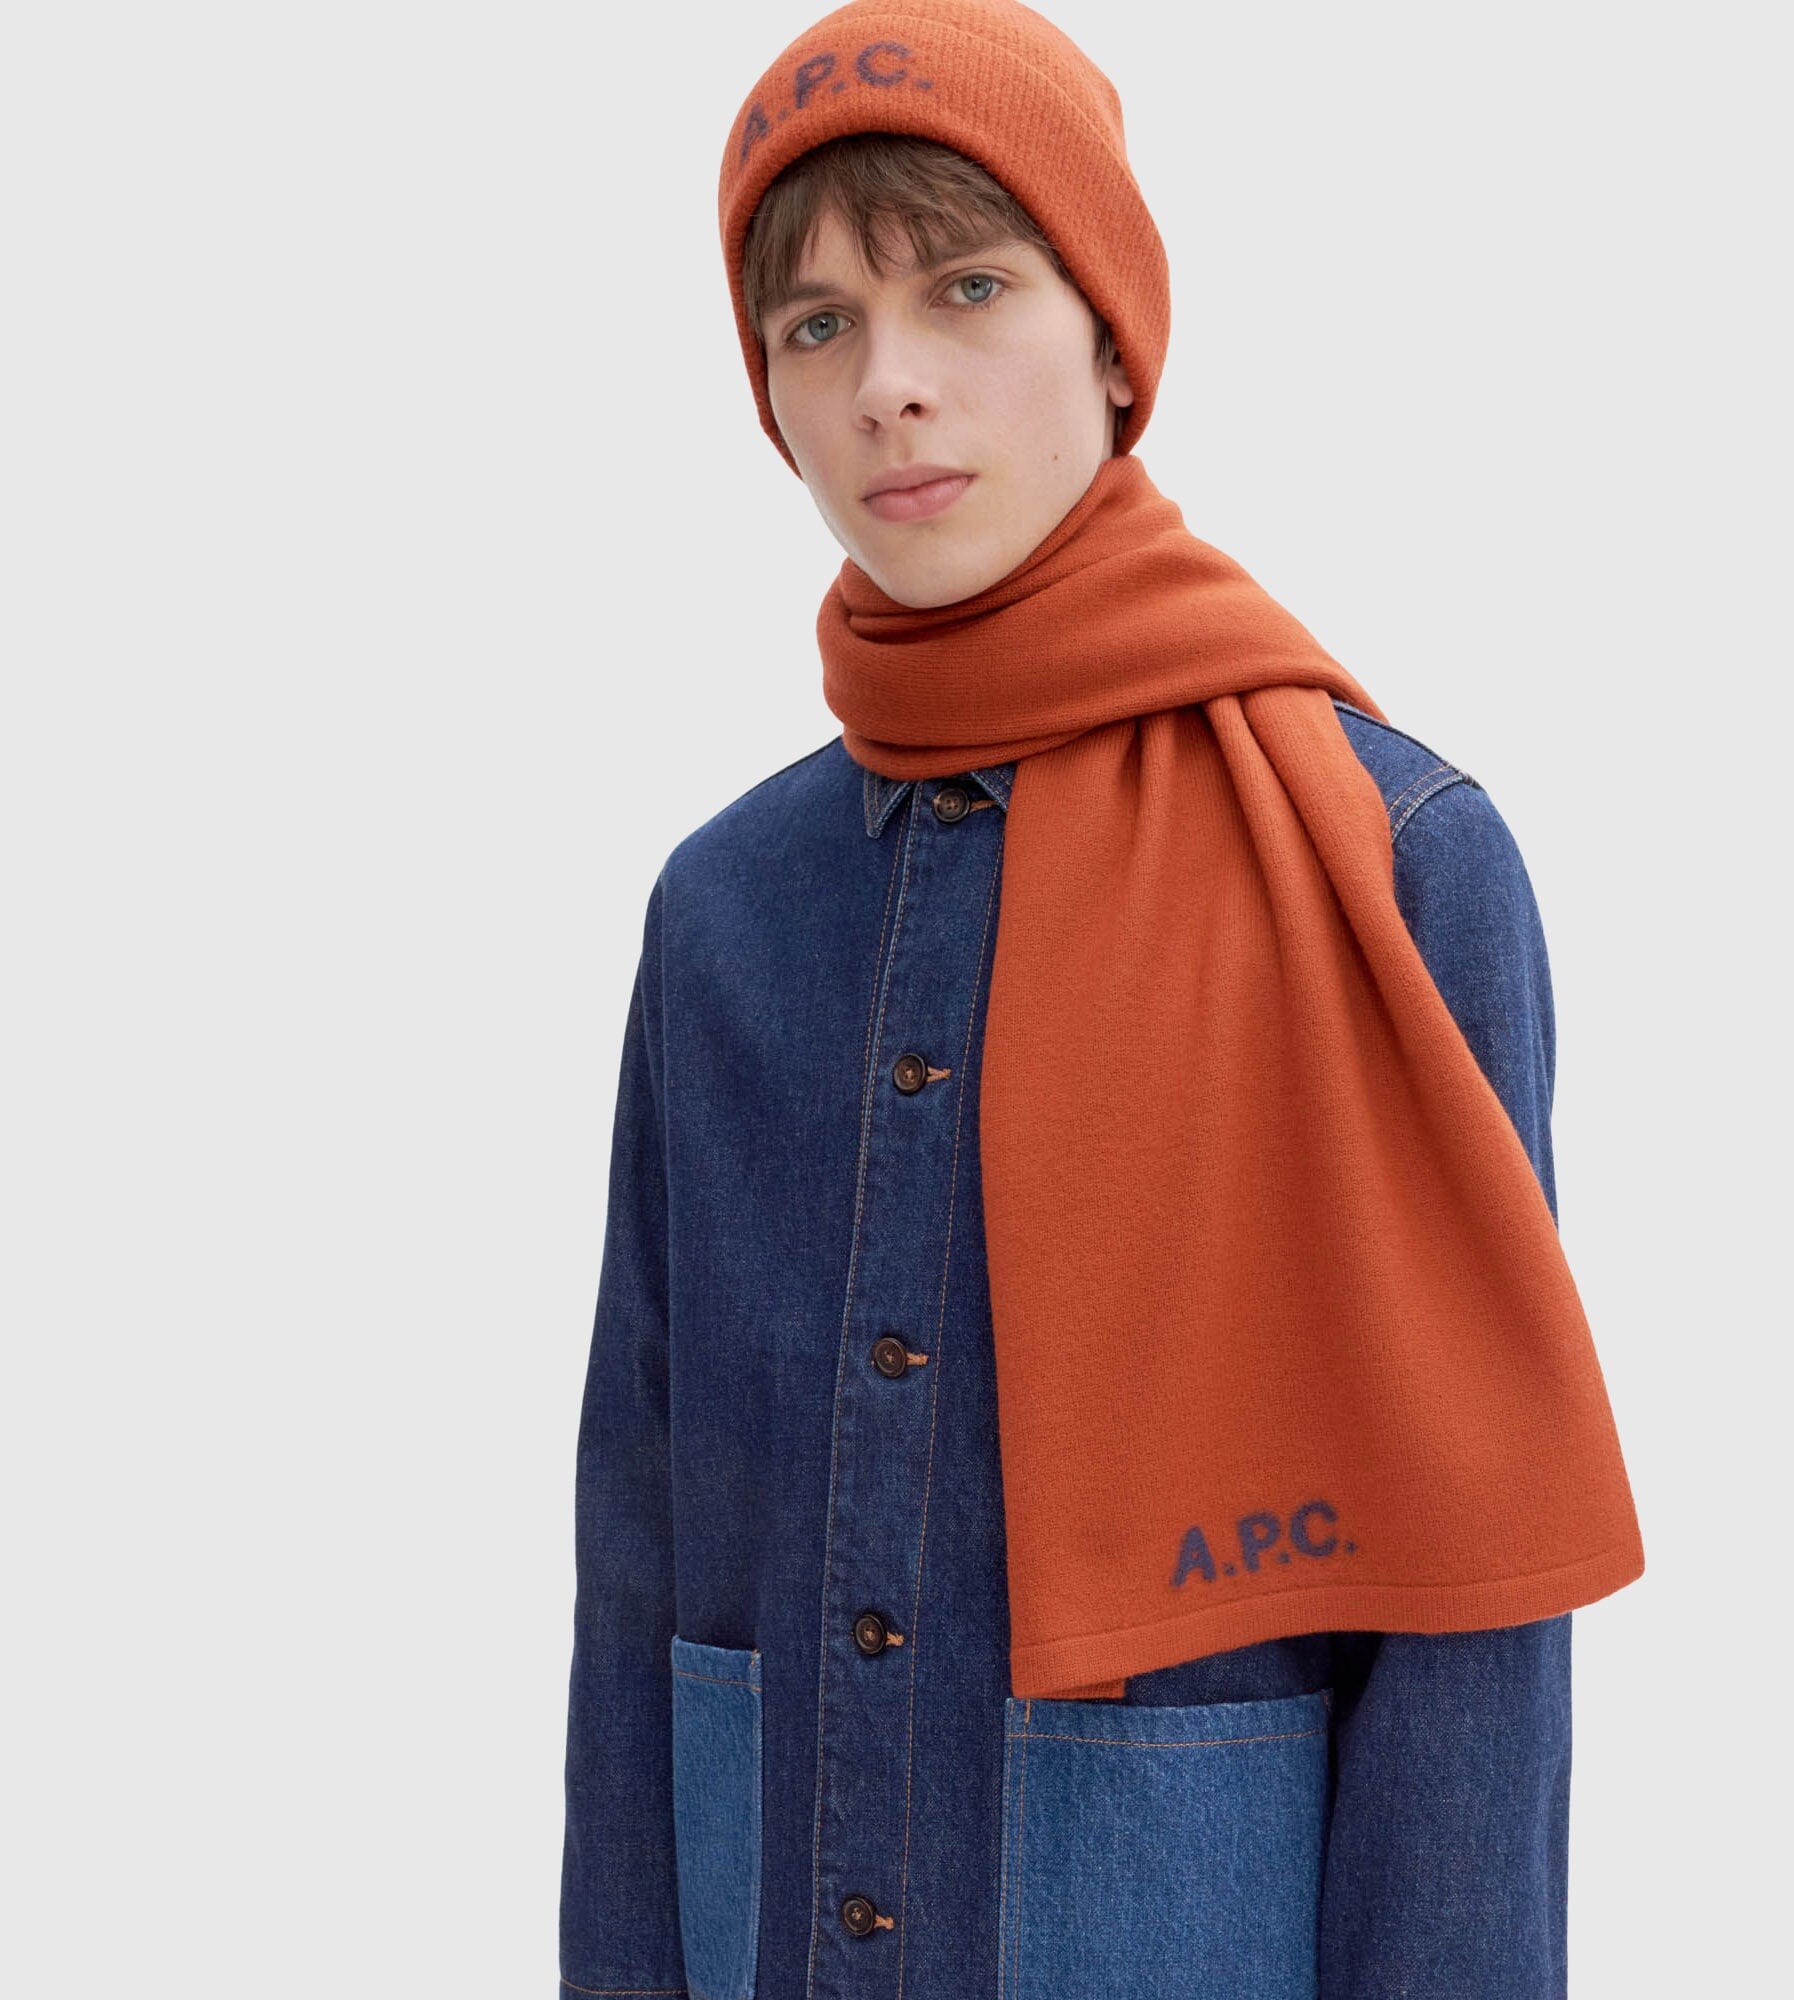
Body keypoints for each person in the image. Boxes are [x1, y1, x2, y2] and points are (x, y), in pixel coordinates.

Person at [558, 4, 1642, 1997]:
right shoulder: (726, 911)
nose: (888, 384)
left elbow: (1469, 1615)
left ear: (1115, 336)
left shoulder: (1393, 864)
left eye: (965, 288)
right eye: (815, 325)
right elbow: (640, 1576)